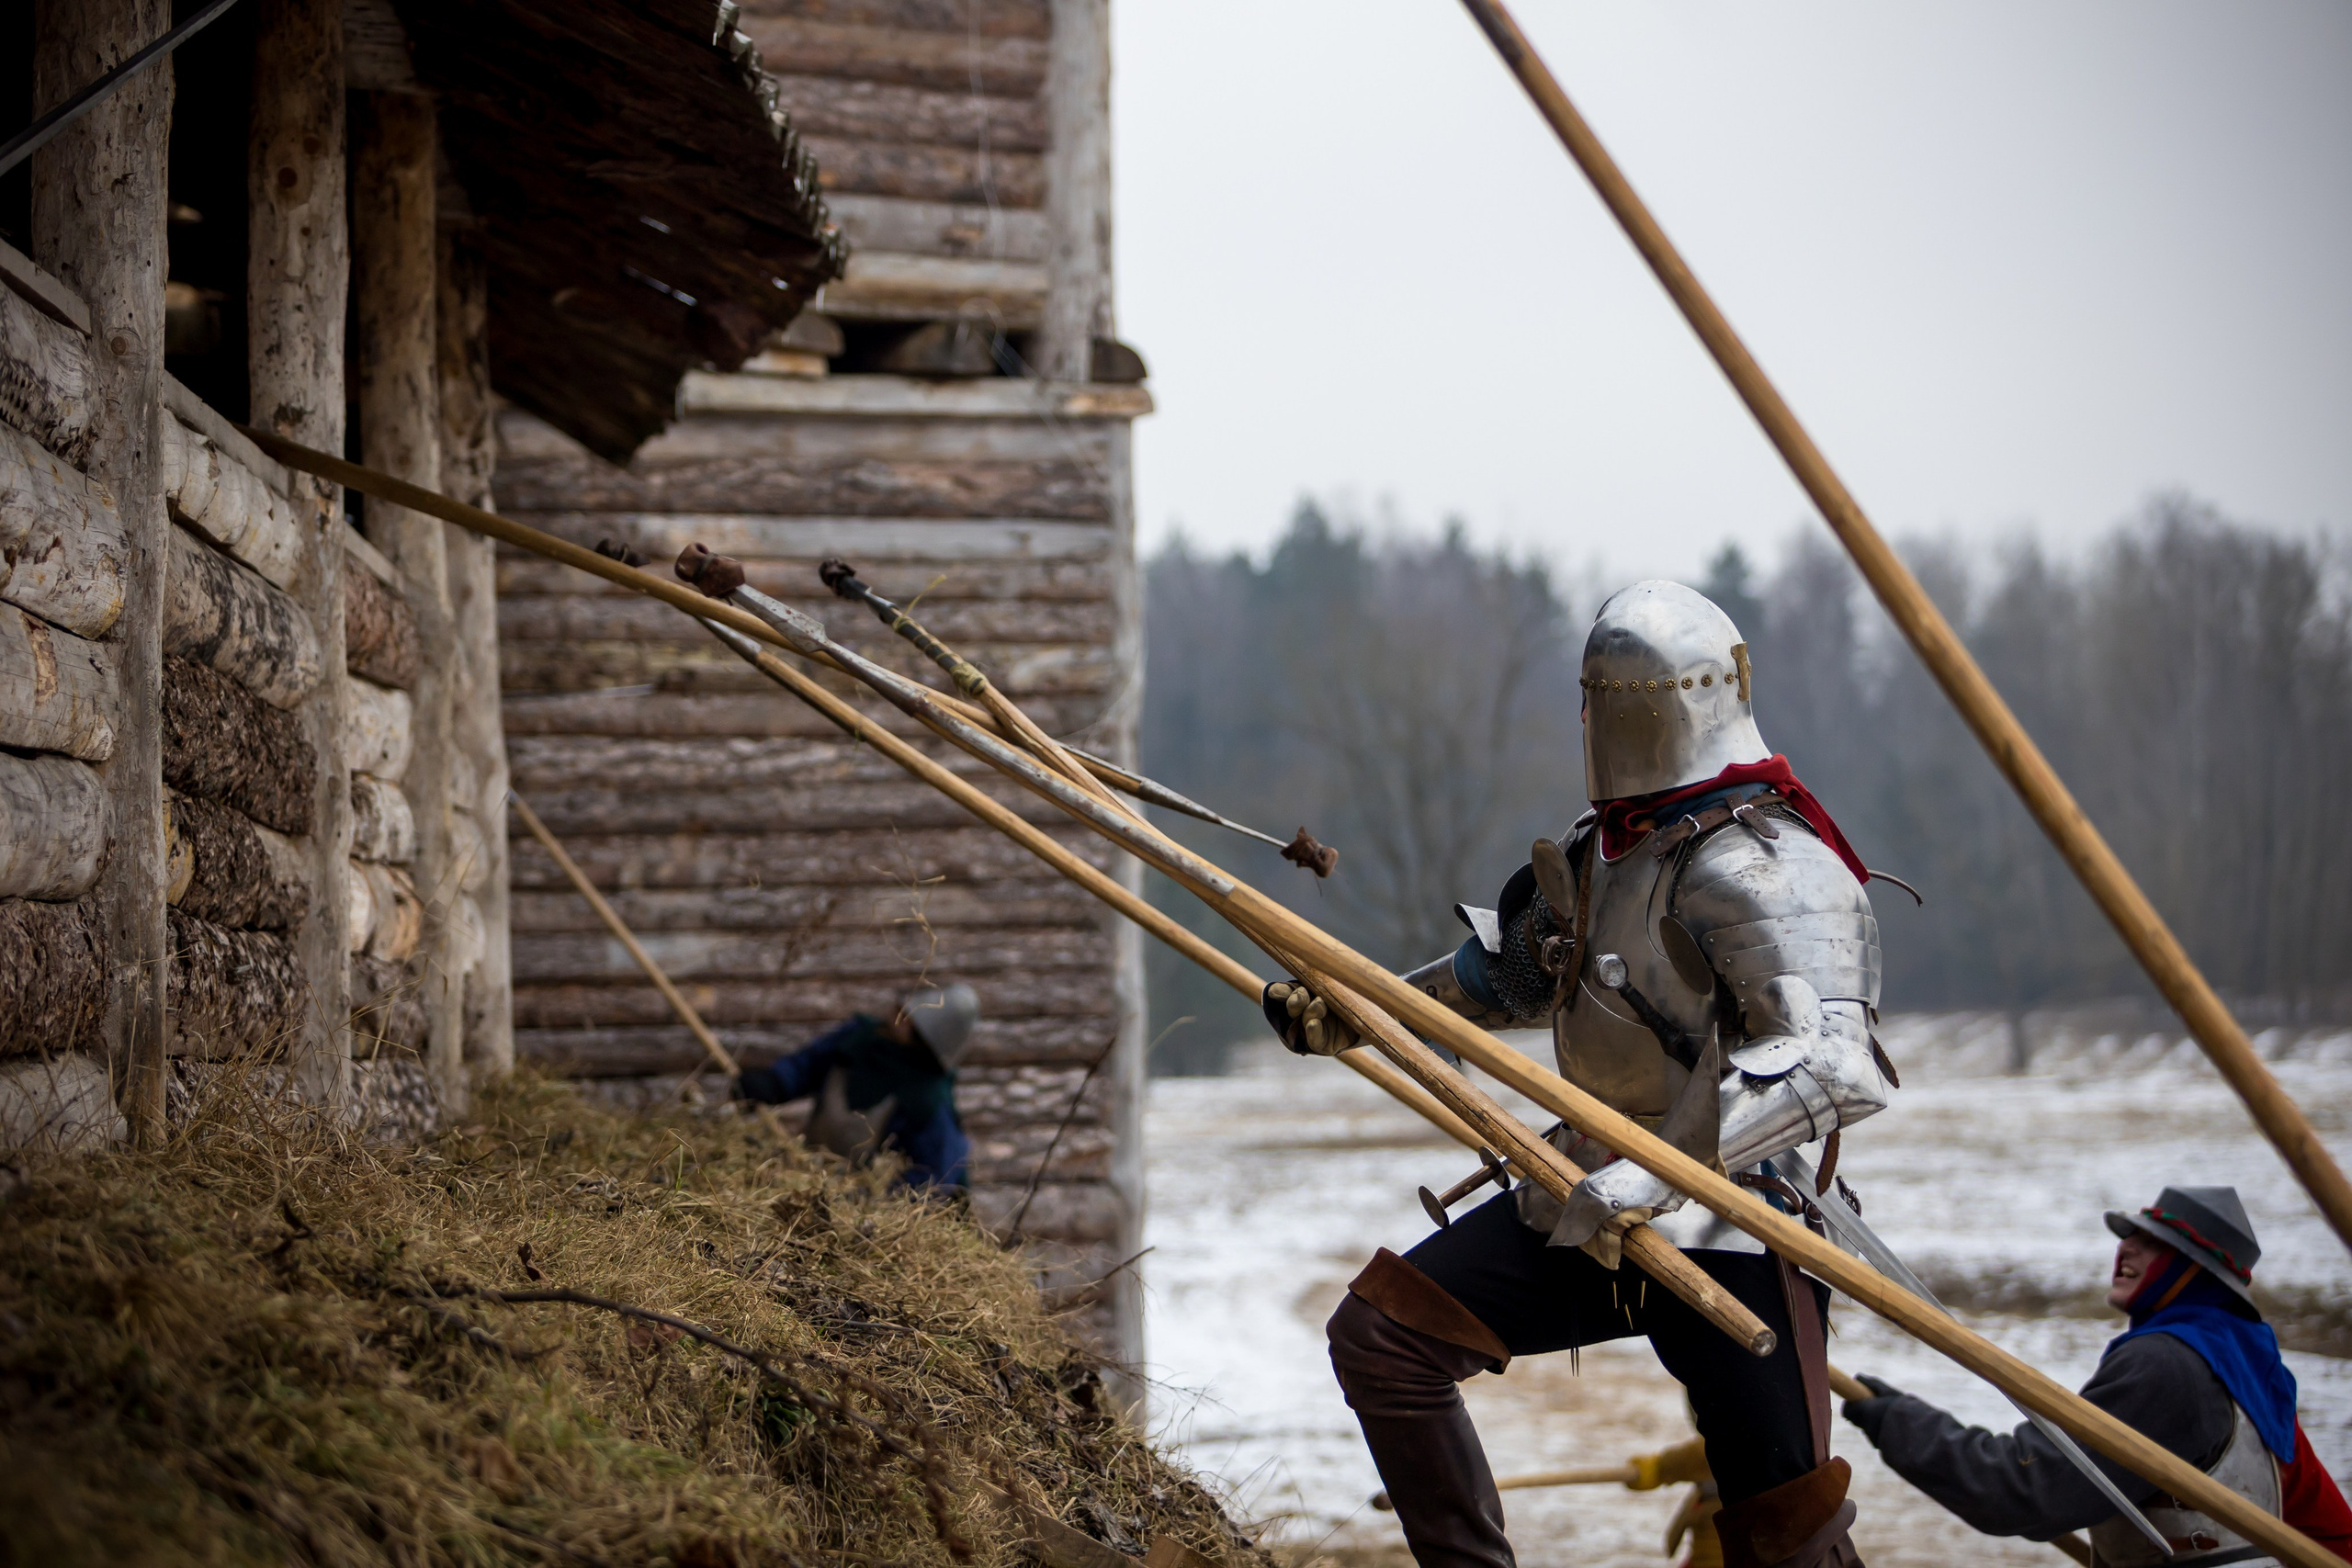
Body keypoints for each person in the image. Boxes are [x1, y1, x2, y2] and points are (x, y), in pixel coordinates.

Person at [1275, 582, 1895, 1568]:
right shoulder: (1604, 846)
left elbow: (1835, 1066)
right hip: (1583, 1207)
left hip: (1738, 1230)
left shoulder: (1769, 862)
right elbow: (1514, 978)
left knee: (1788, 1541)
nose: (1606, 722)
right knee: (1384, 1336)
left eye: (1627, 699)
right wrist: (1364, 1011)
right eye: (1598, 698)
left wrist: (1653, 1179)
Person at [1841, 1184, 2352, 1564]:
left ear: (2193, 1271)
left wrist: (1899, 1423)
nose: (2125, 1249)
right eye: (2129, 1236)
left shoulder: (2169, 1366)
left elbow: (2026, 1488)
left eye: (2152, 1243)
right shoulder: (2233, 1353)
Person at [735, 983, 978, 1192]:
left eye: (909, 1016)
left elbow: (935, 1177)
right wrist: (774, 1082)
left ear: (923, 1037)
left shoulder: (928, 1098)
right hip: (807, 1176)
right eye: (903, 1008)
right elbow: (808, 1064)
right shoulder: (858, 1038)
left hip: (856, 1203)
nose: (899, 1012)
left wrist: (874, 1203)